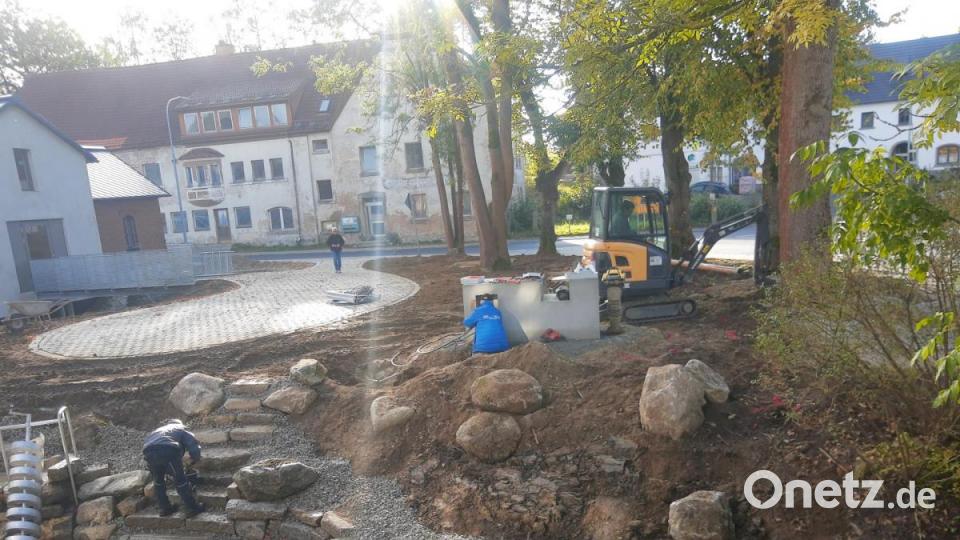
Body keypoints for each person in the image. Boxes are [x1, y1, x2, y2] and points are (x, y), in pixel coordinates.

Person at [142, 419, 205, 517]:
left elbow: (149, 444)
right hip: (167, 450)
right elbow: (193, 445)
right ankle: (193, 507)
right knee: (180, 480)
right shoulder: (180, 429)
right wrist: (195, 459)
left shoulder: (157, 431)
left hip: (148, 452)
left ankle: (165, 508)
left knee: (158, 482)